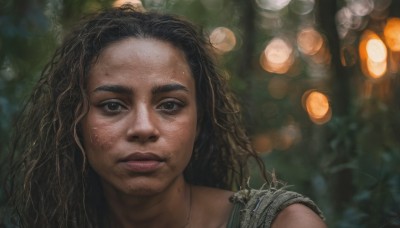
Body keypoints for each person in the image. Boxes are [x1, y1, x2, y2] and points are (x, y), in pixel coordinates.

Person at [6, 4, 326, 228]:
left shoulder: (283, 223)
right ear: (73, 121)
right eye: (113, 106)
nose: (143, 128)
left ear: (200, 120)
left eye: (170, 105)